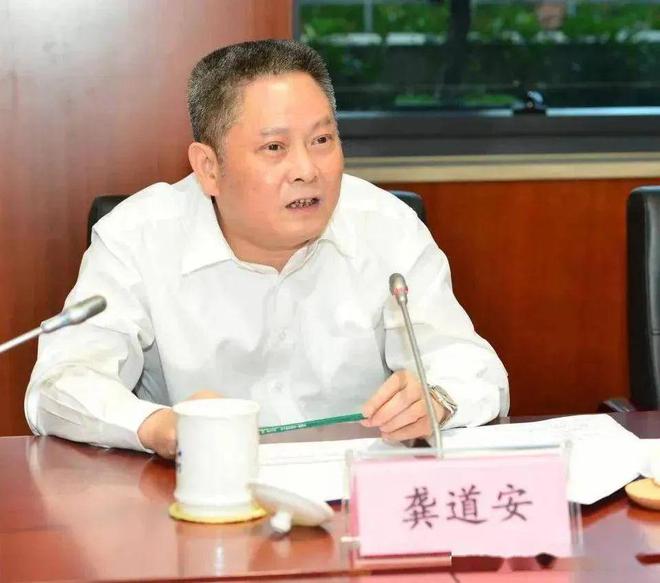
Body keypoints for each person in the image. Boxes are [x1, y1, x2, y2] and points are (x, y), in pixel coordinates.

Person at [25, 40, 509, 459]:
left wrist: (438, 400)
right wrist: (158, 427)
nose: (307, 170)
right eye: (275, 148)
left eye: (322, 140)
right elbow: (59, 385)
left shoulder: (387, 227)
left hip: (356, 496)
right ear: (208, 167)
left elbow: (476, 370)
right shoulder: (136, 237)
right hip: (193, 496)